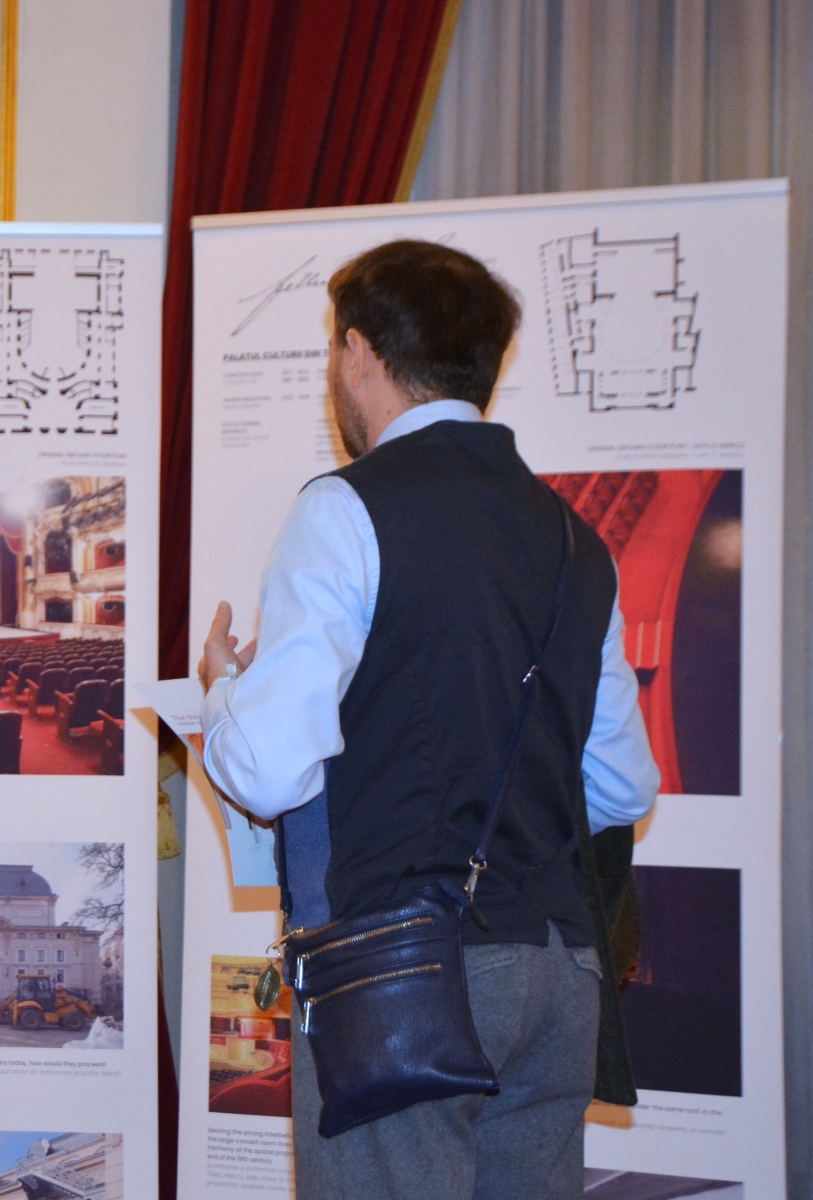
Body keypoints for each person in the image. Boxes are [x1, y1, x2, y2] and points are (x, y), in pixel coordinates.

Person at [196, 239, 659, 1198]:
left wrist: (224, 693)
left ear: (358, 351)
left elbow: (270, 773)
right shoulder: (577, 538)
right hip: (557, 977)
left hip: (400, 975)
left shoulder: (344, 509)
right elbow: (623, 787)